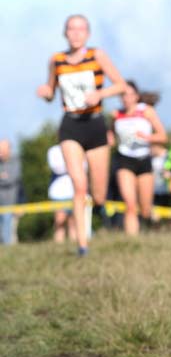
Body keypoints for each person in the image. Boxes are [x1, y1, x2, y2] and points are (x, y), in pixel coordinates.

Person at [36, 14, 126, 255]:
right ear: (65, 33)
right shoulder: (56, 60)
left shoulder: (97, 55)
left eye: (81, 29)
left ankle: (98, 210)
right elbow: (51, 93)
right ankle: (82, 245)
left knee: (97, 194)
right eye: (71, 29)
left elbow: (121, 85)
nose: (75, 33)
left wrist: (101, 94)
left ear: (87, 33)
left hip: (95, 124)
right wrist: (45, 92)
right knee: (78, 185)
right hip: (70, 125)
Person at [109, 81, 167, 235]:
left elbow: (162, 136)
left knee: (145, 209)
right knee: (130, 205)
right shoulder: (116, 114)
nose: (126, 98)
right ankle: (131, 242)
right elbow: (111, 136)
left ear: (136, 96)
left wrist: (147, 137)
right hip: (124, 159)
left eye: (130, 94)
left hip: (143, 160)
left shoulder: (146, 111)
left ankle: (152, 225)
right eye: (123, 95)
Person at [47, 144, 77, 243]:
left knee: (73, 222)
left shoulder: (76, 147)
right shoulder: (54, 150)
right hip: (59, 192)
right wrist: (73, 164)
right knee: (59, 221)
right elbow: (57, 168)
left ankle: (74, 242)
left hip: (74, 190)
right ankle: (59, 245)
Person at [0, 140, 21, 245]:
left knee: (8, 230)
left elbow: (11, 178)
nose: (1, 153)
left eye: (3, 150)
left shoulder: (15, 161)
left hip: (11, 202)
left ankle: (7, 248)